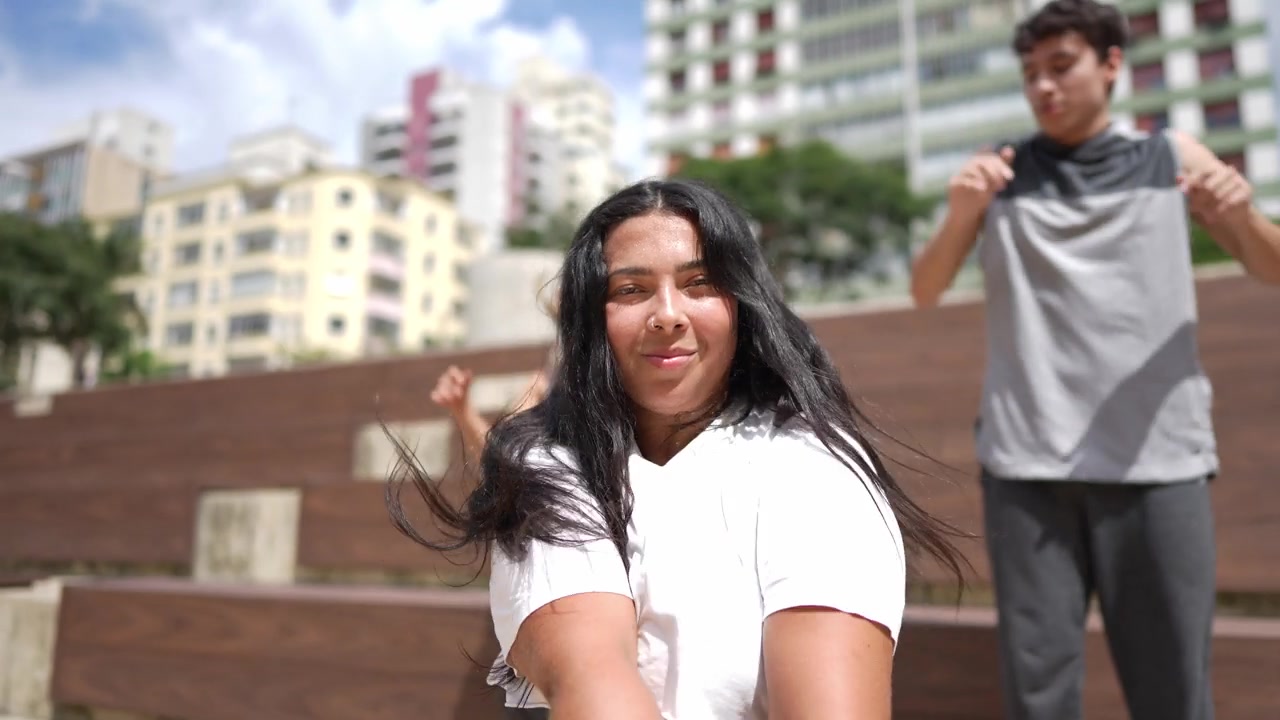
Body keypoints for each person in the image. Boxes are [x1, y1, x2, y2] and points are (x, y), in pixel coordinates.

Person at [390, 178, 964, 718]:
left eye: (699, 283)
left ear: (742, 304)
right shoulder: (551, 467)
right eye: (631, 290)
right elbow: (593, 684)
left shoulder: (817, 471)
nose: (667, 315)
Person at [909, 2, 1280, 719]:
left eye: (1061, 66)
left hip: (1159, 462)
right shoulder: (1000, 172)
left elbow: (1271, 266)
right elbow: (925, 289)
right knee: (1039, 698)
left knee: (1175, 694)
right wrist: (961, 213)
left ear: (1111, 65)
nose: (1043, 87)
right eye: (1030, 74)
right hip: (1028, 469)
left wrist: (1238, 214)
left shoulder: (1171, 157)